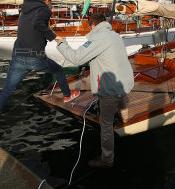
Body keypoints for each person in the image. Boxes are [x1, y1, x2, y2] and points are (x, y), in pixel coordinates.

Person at [0, 0, 80, 144]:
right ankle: (67, 96)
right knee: (58, 70)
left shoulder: (25, 10)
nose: (50, 5)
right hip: (35, 58)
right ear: (47, 0)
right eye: (50, 2)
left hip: (18, 57)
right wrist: (55, 37)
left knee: (5, 93)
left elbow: (31, 27)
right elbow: (38, 24)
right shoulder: (45, 10)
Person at [56, 13, 134, 168]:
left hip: (109, 89)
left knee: (105, 124)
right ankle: (123, 119)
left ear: (93, 25)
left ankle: (107, 159)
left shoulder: (98, 38)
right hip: (124, 83)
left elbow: (77, 58)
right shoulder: (114, 35)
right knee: (118, 101)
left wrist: (61, 43)